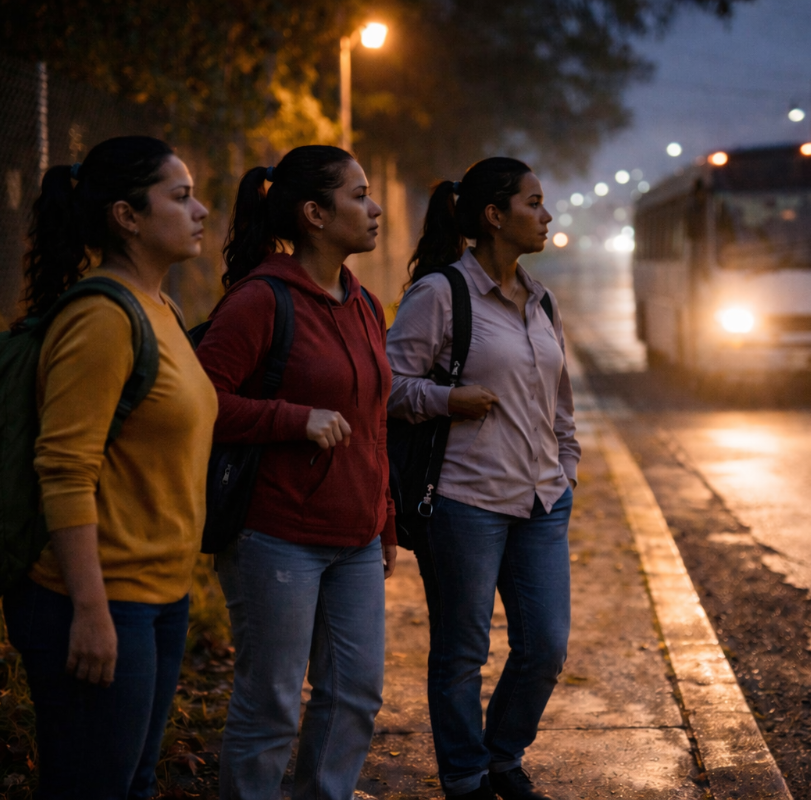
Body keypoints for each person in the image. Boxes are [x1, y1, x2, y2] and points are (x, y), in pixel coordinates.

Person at [2, 136, 218, 800]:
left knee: (132, 783)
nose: (201, 211)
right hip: (96, 601)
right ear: (127, 216)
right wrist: (91, 614)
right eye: (180, 198)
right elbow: (64, 470)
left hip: (159, 598)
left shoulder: (163, 309)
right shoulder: (101, 318)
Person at [194, 145, 395, 800]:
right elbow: (199, 403)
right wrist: (291, 418)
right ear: (314, 213)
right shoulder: (260, 300)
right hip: (276, 533)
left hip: (357, 538)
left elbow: (374, 421)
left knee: (355, 694)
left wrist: (384, 518)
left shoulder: (364, 304)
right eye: (359, 195)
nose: (375, 209)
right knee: (272, 703)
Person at [386, 157, 581, 800]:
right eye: (534, 202)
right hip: (465, 501)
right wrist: (448, 400)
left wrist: (566, 472)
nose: (546, 215)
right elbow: (386, 387)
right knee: (461, 654)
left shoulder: (542, 298)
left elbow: (561, 407)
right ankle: (466, 777)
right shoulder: (441, 293)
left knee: (545, 646)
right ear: (495, 216)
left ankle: (503, 756)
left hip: (542, 500)